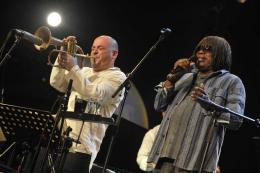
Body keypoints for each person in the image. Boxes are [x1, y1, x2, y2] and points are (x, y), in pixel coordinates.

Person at [147, 36, 246, 173]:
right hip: (165, 153)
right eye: (199, 49)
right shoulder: (186, 76)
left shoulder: (232, 82)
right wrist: (171, 77)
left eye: (207, 50)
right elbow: (159, 105)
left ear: (220, 54)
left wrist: (209, 105)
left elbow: (236, 120)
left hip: (195, 160)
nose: (200, 53)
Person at [49, 35, 126, 172]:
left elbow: (94, 94)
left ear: (114, 54)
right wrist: (63, 53)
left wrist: (73, 67)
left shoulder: (117, 77)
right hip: (58, 136)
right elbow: (58, 83)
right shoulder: (84, 71)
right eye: (93, 48)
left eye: (100, 48)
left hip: (82, 146)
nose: (94, 52)